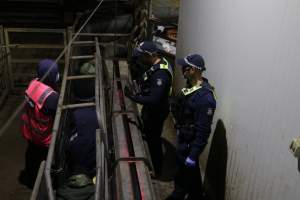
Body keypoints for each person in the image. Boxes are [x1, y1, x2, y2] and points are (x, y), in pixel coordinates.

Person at [166, 54, 216, 200]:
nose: (182, 70)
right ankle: (196, 195)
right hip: (183, 139)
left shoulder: (205, 99)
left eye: (185, 67)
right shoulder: (191, 87)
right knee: (190, 176)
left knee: (182, 180)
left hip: (189, 146)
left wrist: (193, 155)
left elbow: (203, 131)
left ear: (193, 70)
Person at [124, 41, 174, 177]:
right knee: (148, 133)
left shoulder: (161, 75)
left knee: (154, 141)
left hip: (157, 111)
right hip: (151, 109)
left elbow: (154, 99)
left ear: (149, 55)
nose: (140, 59)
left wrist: (133, 97)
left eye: (142, 56)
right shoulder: (156, 64)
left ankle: (157, 170)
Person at [19, 59, 60, 188]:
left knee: (31, 155)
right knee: (44, 161)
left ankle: (30, 178)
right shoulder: (51, 97)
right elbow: (57, 114)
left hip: (31, 131)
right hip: (44, 137)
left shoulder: (33, 83)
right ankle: (41, 185)